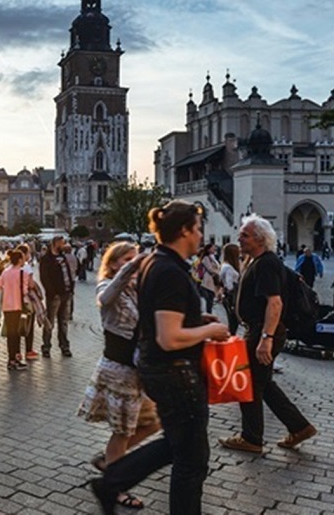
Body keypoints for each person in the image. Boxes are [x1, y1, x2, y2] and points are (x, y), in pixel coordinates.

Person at [91, 200, 230, 515]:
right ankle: (112, 481)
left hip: (161, 370)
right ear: (184, 230)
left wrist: (197, 322)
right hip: (176, 372)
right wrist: (210, 332)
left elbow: (160, 320)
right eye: (197, 229)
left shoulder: (157, 262)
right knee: (191, 460)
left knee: (179, 446)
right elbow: (169, 337)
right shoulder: (169, 271)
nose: (200, 236)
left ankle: (111, 481)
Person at [219, 215, 317, 453]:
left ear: (260, 239)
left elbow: (275, 303)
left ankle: (252, 438)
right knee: (263, 383)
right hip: (257, 330)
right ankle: (299, 427)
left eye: (244, 235)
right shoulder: (256, 261)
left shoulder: (266, 263)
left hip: (263, 331)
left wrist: (266, 338)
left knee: (250, 383)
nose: (239, 239)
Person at [78, 241, 160, 510]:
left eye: (134, 259)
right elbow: (105, 297)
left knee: (153, 422)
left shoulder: (137, 290)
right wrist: (133, 266)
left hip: (138, 371)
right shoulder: (107, 286)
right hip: (119, 370)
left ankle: (110, 460)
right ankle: (115, 485)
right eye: (125, 259)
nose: (132, 263)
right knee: (122, 431)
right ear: (113, 263)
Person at [0, 249, 32, 370]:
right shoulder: (22, 273)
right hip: (18, 306)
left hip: (7, 306)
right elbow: (25, 290)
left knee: (11, 333)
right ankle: (15, 359)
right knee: (17, 334)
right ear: (20, 260)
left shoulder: (5, 272)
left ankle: (11, 359)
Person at [39, 236, 74, 358]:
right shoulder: (46, 259)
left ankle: (64, 346)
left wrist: (71, 288)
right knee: (50, 322)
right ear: (55, 244)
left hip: (66, 293)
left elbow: (67, 273)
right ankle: (46, 346)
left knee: (63, 322)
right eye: (62, 243)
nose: (64, 245)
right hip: (55, 295)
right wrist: (52, 292)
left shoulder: (63, 257)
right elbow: (44, 277)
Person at [219, 243, 241, 335]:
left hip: (227, 297)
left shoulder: (225, 265)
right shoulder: (229, 268)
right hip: (231, 297)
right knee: (233, 323)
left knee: (232, 322)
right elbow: (229, 285)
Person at [199, 243, 221, 313]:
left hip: (212, 280)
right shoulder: (206, 258)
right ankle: (209, 313)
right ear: (208, 249)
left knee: (210, 298)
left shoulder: (212, 257)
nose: (214, 249)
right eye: (212, 248)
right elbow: (210, 269)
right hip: (208, 281)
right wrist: (218, 272)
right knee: (209, 299)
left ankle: (209, 312)